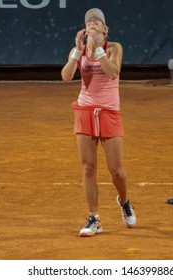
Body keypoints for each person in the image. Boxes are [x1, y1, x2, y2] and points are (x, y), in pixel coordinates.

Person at [61, 8, 136, 237]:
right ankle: (95, 219)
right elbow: (66, 76)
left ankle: (124, 201)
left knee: (117, 171)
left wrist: (98, 52)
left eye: (97, 21)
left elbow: (113, 73)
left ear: (105, 30)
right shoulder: (79, 50)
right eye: (89, 21)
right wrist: (77, 51)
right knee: (88, 167)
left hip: (109, 112)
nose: (93, 22)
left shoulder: (114, 48)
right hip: (84, 109)